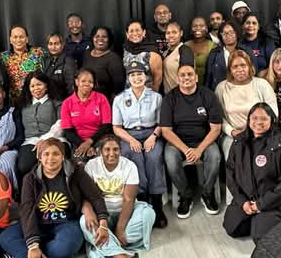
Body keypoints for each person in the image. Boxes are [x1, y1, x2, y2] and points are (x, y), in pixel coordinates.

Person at [0, 138, 107, 258]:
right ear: (39, 157)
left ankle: (21, 255)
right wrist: (33, 245)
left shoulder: (76, 172)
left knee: (67, 246)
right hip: (38, 223)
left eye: (56, 154)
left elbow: (95, 196)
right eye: (46, 154)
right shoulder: (30, 178)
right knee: (6, 237)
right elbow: (27, 210)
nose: (50, 158)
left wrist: (103, 222)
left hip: (66, 222)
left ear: (63, 156)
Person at [81, 136, 156, 258]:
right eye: (107, 149)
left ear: (120, 151)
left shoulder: (129, 166)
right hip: (102, 216)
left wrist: (120, 229)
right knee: (83, 222)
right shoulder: (91, 166)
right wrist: (91, 214)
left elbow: (129, 199)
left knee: (148, 214)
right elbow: (87, 196)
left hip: (126, 213)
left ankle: (107, 246)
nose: (112, 153)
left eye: (115, 149)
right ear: (100, 151)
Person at [223, 103, 281, 241]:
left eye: (263, 118)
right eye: (254, 118)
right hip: (248, 197)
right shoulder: (239, 141)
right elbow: (230, 174)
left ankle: (268, 220)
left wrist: (261, 204)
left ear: (272, 120)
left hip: (275, 200)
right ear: (249, 120)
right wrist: (243, 202)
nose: (258, 122)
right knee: (232, 227)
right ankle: (258, 219)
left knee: (261, 237)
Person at [160, 64, 223, 219]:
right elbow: (166, 130)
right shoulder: (170, 98)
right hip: (177, 143)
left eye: (189, 74)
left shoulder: (207, 95)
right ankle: (185, 195)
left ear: (196, 77)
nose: (186, 77)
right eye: (182, 75)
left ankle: (207, 193)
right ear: (177, 79)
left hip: (204, 141)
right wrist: (186, 150)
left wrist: (199, 150)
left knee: (215, 156)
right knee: (170, 159)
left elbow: (216, 128)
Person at [112, 62, 168, 227]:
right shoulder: (120, 99)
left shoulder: (156, 97)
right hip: (129, 135)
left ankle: (157, 203)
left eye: (140, 74)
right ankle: (142, 200)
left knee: (154, 157)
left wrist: (154, 136)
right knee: (133, 156)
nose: (136, 78)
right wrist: (131, 140)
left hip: (152, 133)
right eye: (132, 75)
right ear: (128, 78)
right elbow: (116, 127)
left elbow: (162, 123)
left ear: (146, 76)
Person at [215, 50, 278, 160]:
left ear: (249, 66)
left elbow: (273, 114)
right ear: (230, 70)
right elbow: (219, 117)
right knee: (234, 157)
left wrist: (257, 131)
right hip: (232, 135)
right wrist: (232, 132)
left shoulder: (262, 85)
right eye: (235, 67)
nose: (240, 69)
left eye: (243, 65)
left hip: (261, 133)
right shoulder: (221, 88)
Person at [17, 71, 66, 178]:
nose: (36, 88)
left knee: (55, 163)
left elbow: (61, 122)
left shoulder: (56, 102)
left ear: (46, 86)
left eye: (39, 84)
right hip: (31, 141)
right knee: (24, 166)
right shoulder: (23, 105)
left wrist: (45, 139)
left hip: (55, 138)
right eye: (32, 86)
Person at [61, 69, 113, 162]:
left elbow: (106, 125)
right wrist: (84, 144)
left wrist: (89, 142)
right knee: (79, 162)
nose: (87, 84)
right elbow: (68, 131)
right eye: (83, 81)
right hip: (78, 141)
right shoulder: (67, 103)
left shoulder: (101, 98)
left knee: (100, 160)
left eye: (90, 82)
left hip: (100, 139)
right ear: (77, 82)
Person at [0, 25, 46, 104]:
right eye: (15, 37)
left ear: (27, 39)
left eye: (21, 37)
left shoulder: (38, 52)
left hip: (35, 99)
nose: (18, 40)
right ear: (10, 40)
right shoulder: (2, 57)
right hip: (13, 102)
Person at [204, 20, 254, 91]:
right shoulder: (214, 53)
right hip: (219, 91)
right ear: (220, 36)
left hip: (244, 90)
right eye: (224, 33)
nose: (228, 36)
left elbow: (253, 73)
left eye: (231, 32)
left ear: (237, 33)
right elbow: (208, 78)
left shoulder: (246, 51)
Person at [82, 26, 126, 101]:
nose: (100, 39)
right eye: (97, 36)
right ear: (92, 38)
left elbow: (119, 86)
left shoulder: (113, 58)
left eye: (104, 37)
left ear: (109, 39)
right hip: (86, 99)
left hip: (104, 101)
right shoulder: (87, 54)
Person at [123, 20, 163, 91]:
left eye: (137, 30)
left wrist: (153, 94)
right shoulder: (126, 49)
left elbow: (158, 78)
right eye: (131, 31)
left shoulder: (152, 52)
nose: (135, 33)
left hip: (147, 93)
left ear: (144, 32)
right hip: (129, 93)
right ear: (127, 34)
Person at [259, 48, 281, 123]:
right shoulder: (262, 77)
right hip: (267, 117)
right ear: (272, 63)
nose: (280, 65)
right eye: (277, 62)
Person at [42, 32, 77, 102]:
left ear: (62, 45)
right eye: (50, 44)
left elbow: (71, 87)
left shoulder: (69, 61)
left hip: (63, 101)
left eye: (56, 44)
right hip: (48, 101)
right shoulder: (46, 61)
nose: (53, 47)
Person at [162, 21, 195, 93]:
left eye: (174, 32)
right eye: (168, 33)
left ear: (181, 33)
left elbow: (187, 77)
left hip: (181, 95)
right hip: (168, 94)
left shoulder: (185, 51)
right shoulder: (166, 51)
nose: (171, 35)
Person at [186, 16, 217, 85]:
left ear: (206, 28)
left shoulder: (213, 46)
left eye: (201, 26)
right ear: (191, 29)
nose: (198, 28)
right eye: (195, 26)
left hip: (208, 86)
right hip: (188, 85)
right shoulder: (185, 46)